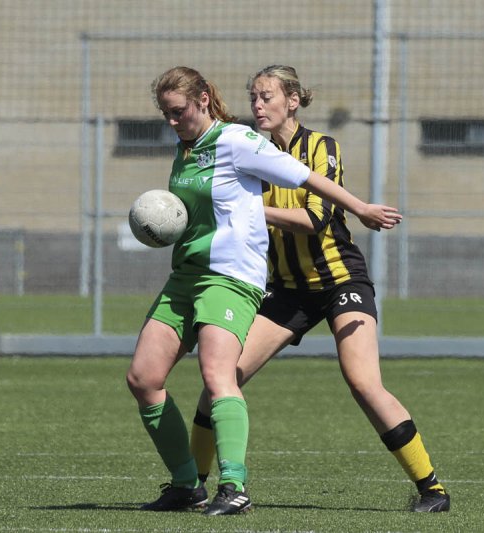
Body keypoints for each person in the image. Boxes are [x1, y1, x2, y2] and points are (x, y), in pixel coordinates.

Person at [126, 66, 402, 516]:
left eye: (178, 112)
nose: (172, 121)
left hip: (230, 276)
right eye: (165, 114)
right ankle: (186, 485)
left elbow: (305, 177)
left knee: (218, 376)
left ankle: (233, 486)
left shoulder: (237, 140)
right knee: (143, 378)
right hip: (186, 276)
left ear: (202, 99)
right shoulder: (185, 148)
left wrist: (360, 208)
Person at [188, 65, 450, 513]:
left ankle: (432, 489)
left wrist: (249, 209)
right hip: (288, 290)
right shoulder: (251, 152)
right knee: (221, 378)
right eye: (253, 97)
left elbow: (315, 219)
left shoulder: (321, 147)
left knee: (363, 382)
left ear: (293, 100)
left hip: (340, 280)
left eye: (267, 96)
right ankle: (192, 485)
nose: (257, 105)